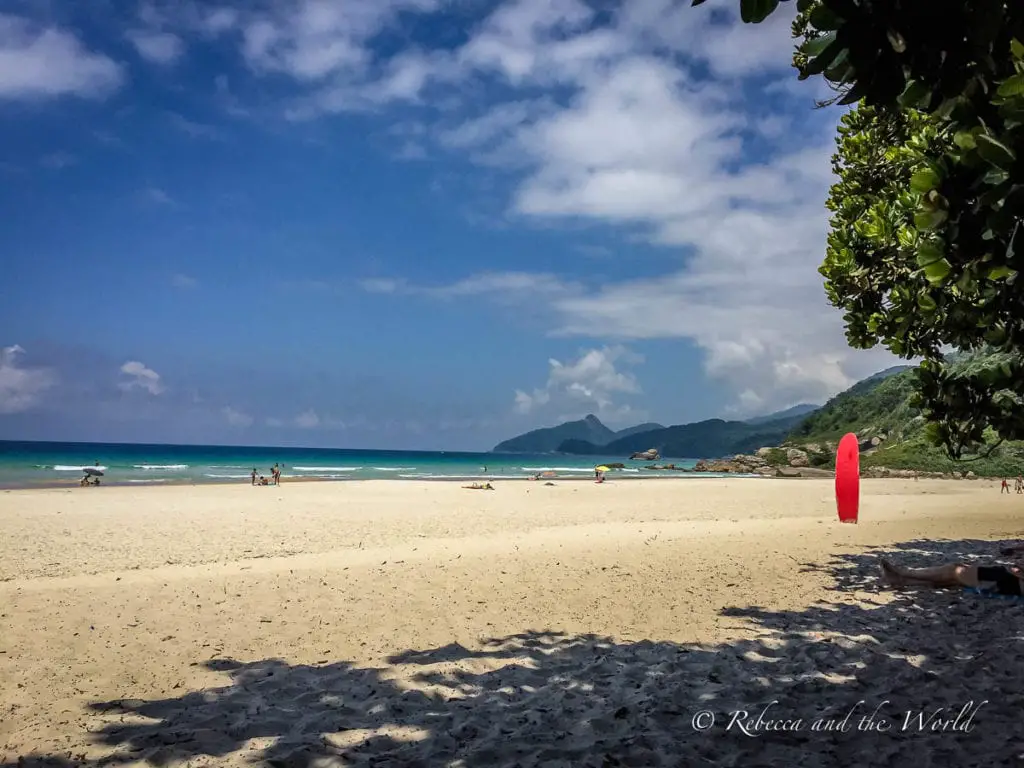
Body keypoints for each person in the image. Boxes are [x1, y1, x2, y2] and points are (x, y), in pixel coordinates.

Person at [879, 558, 1023, 596]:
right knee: (953, 580)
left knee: (955, 570)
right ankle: (901, 580)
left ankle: (904, 572)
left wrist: (1019, 572)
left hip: (1010, 582)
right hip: (1011, 580)